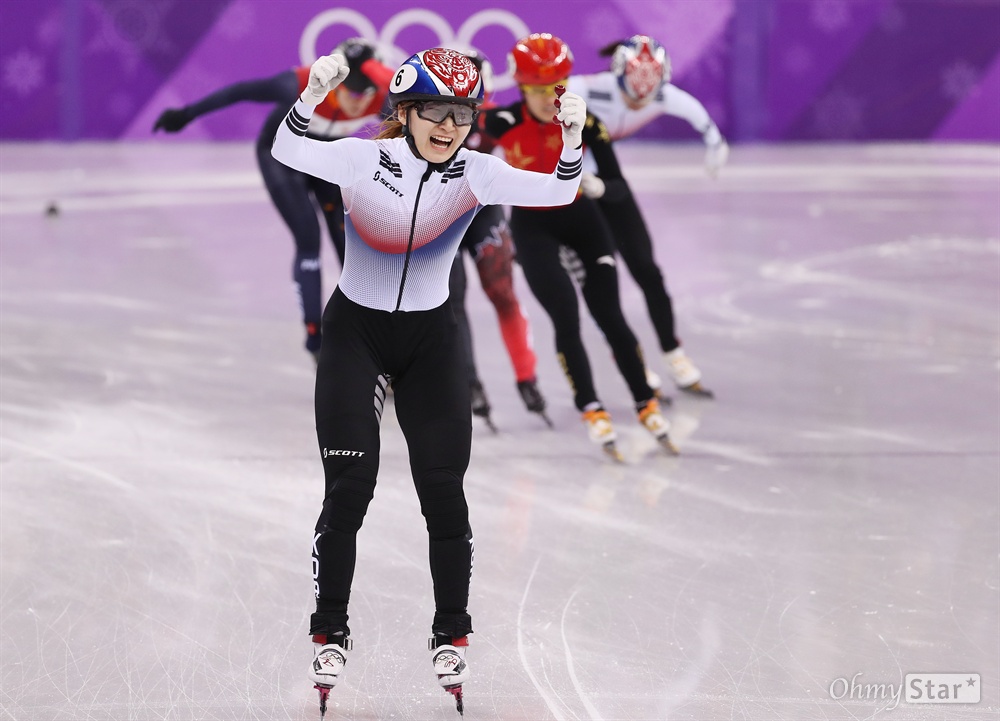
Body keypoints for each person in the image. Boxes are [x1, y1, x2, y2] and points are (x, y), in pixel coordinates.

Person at [269, 47, 587, 713]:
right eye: (436, 112)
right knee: (350, 487)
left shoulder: (479, 173)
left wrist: (572, 138)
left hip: (432, 340)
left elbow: (558, 189)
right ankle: (331, 627)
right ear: (406, 113)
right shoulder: (360, 158)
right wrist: (309, 100)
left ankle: (451, 629)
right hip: (355, 334)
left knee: (443, 491)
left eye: (462, 113)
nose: (450, 126)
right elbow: (288, 150)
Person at [479, 33, 678, 460]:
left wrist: (598, 185)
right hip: (534, 228)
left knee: (610, 315)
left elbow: (621, 189)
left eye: (557, 89)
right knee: (566, 316)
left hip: (584, 221)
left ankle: (645, 401)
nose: (550, 100)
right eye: (538, 92)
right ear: (522, 89)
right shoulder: (500, 123)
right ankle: (591, 406)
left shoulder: (585, 122)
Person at [152, 39, 394, 361]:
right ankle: (315, 342)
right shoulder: (304, 81)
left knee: (352, 247)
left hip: (323, 161)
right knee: (309, 239)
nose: (356, 102)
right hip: (281, 158)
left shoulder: (381, 98)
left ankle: (367, 339)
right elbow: (240, 91)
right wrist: (186, 114)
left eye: (363, 94)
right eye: (348, 92)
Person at [566, 34, 729, 396]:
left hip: (610, 181)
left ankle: (674, 354)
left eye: (651, 92)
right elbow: (539, 106)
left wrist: (715, 145)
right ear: (618, 77)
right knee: (602, 280)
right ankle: (631, 360)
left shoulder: (664, 95)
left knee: (648, 271)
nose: (641, 99)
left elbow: (701, 120)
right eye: (633, 90)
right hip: (575, 186)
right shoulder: (587, 88)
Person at [449, 50, 549, 431]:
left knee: (503, 293)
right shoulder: (432, 111)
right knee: (452, 301)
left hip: (482, 210)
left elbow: (533, 154)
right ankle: (470, 382)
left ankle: (527, 378)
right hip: (442, 216)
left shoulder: (495, 117)